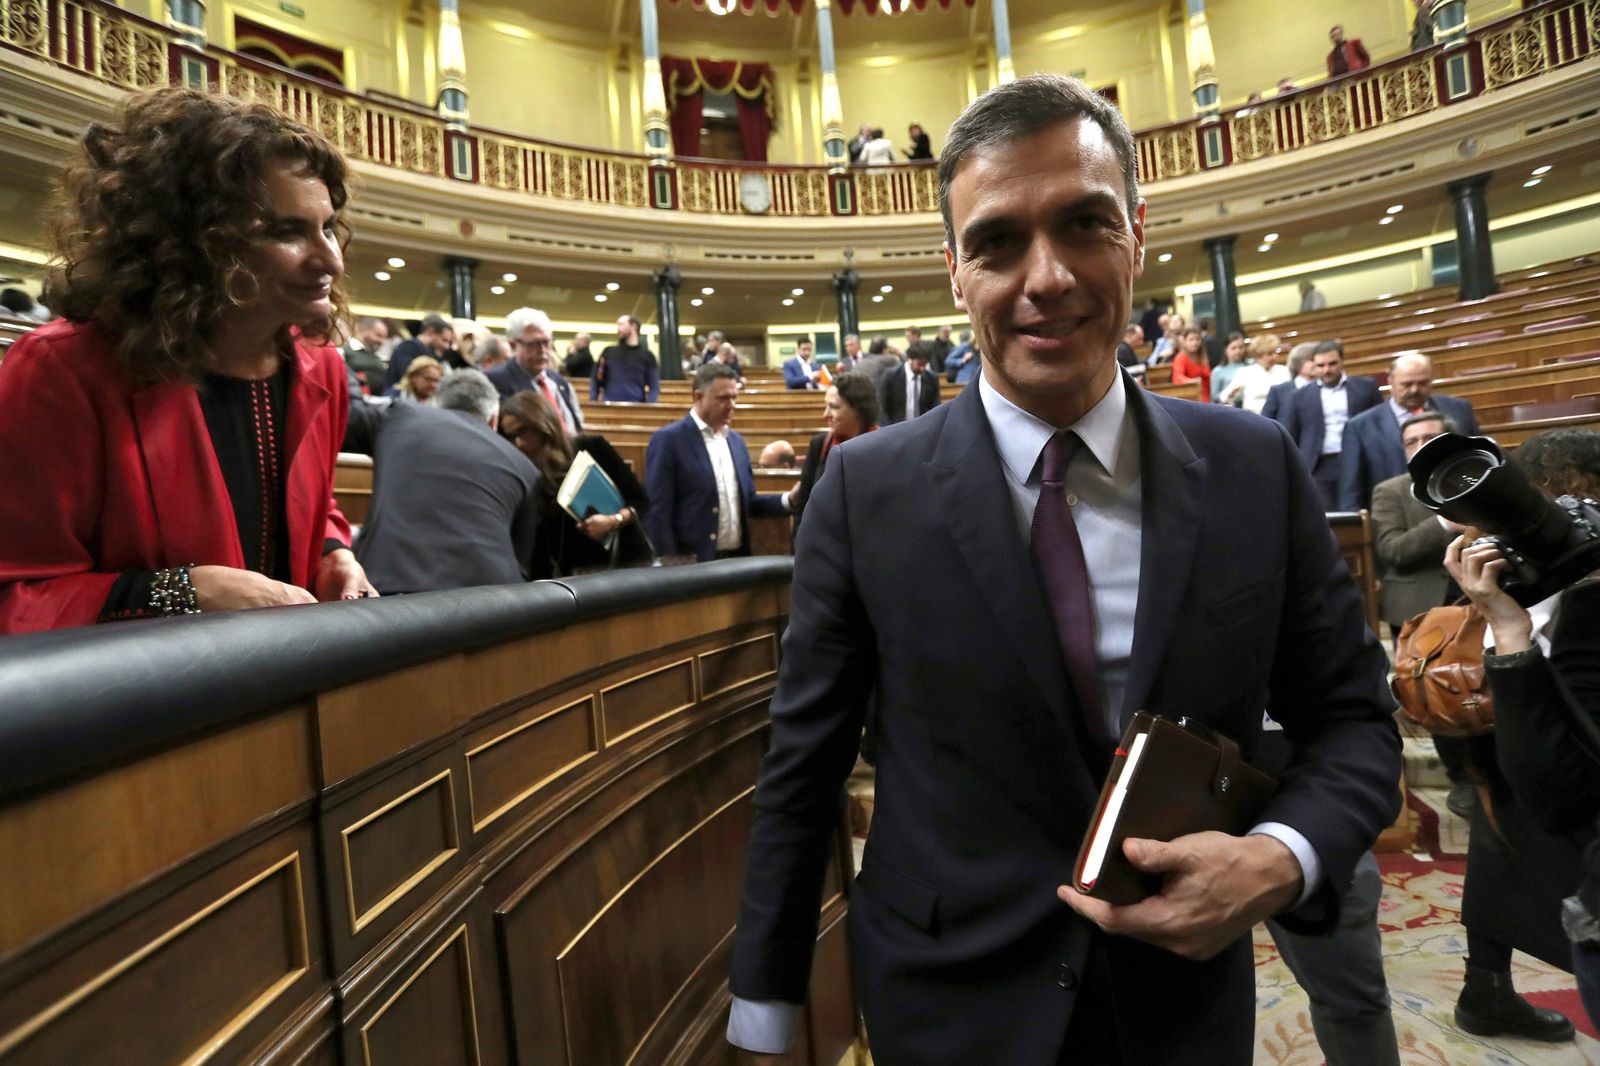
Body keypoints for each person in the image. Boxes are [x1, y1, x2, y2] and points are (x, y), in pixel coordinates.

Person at [728, 73, 1400, 1064]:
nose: (1045, 277)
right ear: (954, 270)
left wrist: (1276, 857)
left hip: (1179, 1003)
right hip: (946, 1003)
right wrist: (765, 1000)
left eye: (1084, 223)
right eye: (997, 241)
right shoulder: (864, 491)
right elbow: (805, 765)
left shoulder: (1253, 468)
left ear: (1137, 229)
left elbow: (1349, 719)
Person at [0, 87, 375, 633]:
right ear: (192, 239)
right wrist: (179, 591)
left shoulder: (322, 368)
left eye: (328, 227)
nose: (331, 261)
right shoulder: (63, 370)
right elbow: (16, 596)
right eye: (286, 231)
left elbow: (314, 509)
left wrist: (333, 551)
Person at [1439, 429, 1596, 1044]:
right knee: (1501, 841)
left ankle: (1487, 989)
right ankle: (1487, 990)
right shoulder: (1508, 566)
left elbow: (1560, 786)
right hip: (1512, 748)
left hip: (1545, 766)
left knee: (1505, 845)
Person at [1370, 411, 1479, 820]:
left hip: (1478, 597)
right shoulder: (1391, 491)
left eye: (1430, 438)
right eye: (1412, 441)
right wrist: (1443, 522)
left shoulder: (1476, 479)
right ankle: (1461, 777)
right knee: (1440, 694)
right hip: (1421, 609)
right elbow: (1393, 551)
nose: (1420, 446)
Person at [346, 370, 543, 593]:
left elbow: (345, 415)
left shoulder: (400, 417)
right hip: (494, 601)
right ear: (494, 419)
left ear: (435, 404)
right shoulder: (524, 466)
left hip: (390, 588)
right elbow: (522, 563)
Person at [643, 362, 789, 562]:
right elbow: (659, 511)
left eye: (734, 397)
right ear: (698, 397)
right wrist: (669, 561)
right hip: (692, 564)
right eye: (723, 398)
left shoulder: (736, 442)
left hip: (737, 558)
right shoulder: (669, 440)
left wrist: (788, 500)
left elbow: (748, 502)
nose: (732, 405)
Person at [498, 388, 651, 578]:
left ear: (543, 424)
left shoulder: (591, 447)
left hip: (611, 567)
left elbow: (640, 500)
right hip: (552, 579)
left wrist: (612, 521)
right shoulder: (517, 471)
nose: (519, 443)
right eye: (511, 437)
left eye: (523, 432)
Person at [1339, 351, 1479, 512]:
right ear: (1390, 382)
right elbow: (1351, 488)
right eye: (1407, 384)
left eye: (1422, 383)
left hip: (1458, 507)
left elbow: (1477, 457)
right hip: (1397, 515)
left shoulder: (1459, 409)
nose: (1414, 390)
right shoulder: (1360, 427)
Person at [1287, 340, 1382, 511]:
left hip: (1360, 459)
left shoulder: (1366, 387)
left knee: (1359, 510)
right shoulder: (1299, 396)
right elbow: (1292, 433)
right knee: (1326, 516)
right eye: (1320, 365)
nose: (1326, 370)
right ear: (1313, 366)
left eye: (1332, 364)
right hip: (1319, 463)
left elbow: (1379, 422)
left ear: (1342, 361)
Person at [790, 371, 879, 532]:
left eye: (834, 407)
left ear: (859, 410)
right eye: (826, 406)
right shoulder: (819, 445)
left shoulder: (883, 447)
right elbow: (803, 506)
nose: (825, 414)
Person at [485, 306, 584, 431]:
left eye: (546, 342)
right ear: (513, 345)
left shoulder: (558, 381)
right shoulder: (495, 381)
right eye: (533, 344)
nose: (543, 351)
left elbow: (576, 425)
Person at [591, 314, 659, 403]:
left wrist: (649, 406)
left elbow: (654, 386)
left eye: (621, 324)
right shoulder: (608, 352)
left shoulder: (647, 356)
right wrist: (593, 401)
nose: (618, 329)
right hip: (609, 406)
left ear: (633, 326)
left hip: (637, 407)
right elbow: (597, 379)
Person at [384, 312, 459, 388]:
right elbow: (410, 379)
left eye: (449, 342)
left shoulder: (432, 354)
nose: (446, 346)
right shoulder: (407, 348)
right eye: (444, 340)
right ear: (430, 333)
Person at [878, 340, 940, 423]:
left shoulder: (931, 378)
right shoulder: (891, 376)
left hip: (922, 428)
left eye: (925, 365)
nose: (922, 368)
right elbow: (882, 407)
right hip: (896, 428)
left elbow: (935, 407)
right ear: (909, 359)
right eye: (920, 364)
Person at [1227, 333, 1289, 414]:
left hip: (1279, 417)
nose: (1275, 356)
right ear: (1258, 355)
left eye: (1275, 352)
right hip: (1254, 418)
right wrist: (1232, 394)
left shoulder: (1285, 371)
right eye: (1270, 354)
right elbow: (1227, 397)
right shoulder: (1245, 372)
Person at [1261, 341, 1319, 425]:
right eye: (1311, 360)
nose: (1316, 363)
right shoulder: (1279, 391)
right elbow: (1265, 423)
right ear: (1298, 362)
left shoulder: (1324, 388)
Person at [340, 315, 389, 396]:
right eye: (378, 335)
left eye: (384, 338)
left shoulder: (378, 357)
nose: (381, 341)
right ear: (364, 330)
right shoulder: (344, 351)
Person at [1169, 326, 1211, 400]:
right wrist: (1192, 381)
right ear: (1185, 341)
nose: (1195, 343)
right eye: (1191, 339)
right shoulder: (1180, 357)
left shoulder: (1202, 356)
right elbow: (1178, 378)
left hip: (1206, 395)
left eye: (1197, 339)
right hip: (1190, 396)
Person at [1210, 331, 1248, 404]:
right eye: (1233, 348)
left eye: (1240, 347)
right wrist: (1230, 393)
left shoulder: (1250, 365)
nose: (1238, 351)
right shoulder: (1218, 371)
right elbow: (1214, 396)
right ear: (1226, 350)